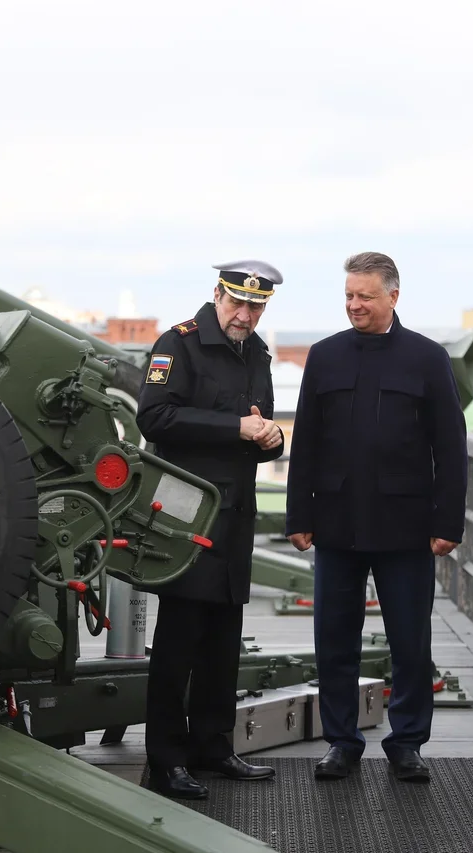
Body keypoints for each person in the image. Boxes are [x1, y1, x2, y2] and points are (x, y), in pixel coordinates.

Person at [285, 251, 468, 784]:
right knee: (333, 638)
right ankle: (342, 742)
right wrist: (299, 514)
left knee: (410, 641)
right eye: (349, 295)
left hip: (406, 525)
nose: (354, 305)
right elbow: (308, 443)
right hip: (337, 523)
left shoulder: (428, 358)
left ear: (393, 295)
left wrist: (447, 522)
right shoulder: (324, 356)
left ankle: (407, 742)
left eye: (365, 296)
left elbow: (450, 448)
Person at [135, 260, 287, 800]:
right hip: (186, 513)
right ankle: (168, 758)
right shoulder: (178, 345)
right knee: (179, 639)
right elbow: (152, 418)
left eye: (256, 307)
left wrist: (272, 438)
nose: (246, 315)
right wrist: (236, 427)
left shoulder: (258, 353)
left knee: (224, 637)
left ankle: (215, 746)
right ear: (218, 294)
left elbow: (258, 419)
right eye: (238, 303)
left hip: (236, 510)